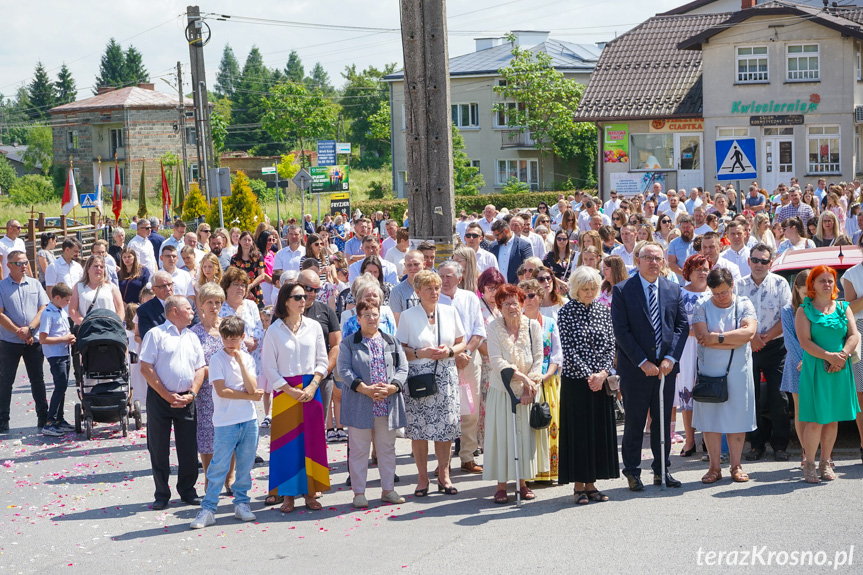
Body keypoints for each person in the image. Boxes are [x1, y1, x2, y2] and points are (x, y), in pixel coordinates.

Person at [612, 241, 688, 491]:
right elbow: (621, 332)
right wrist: (642, 362)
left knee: (663, 421)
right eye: (648, 258)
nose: (653, 262)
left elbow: (681, 326)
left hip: (665, 370)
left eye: (658, 258)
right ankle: (633, 472)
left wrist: (671, 358)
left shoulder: (672, 289)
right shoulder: (623, 290)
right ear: (637, 261)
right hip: (636, 369)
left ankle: (662, 470)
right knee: (634, 422)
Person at [261, 282, 330, 513]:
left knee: (311, 442)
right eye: (298, 296)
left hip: (312, 390)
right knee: (287, 446)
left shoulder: (314, 326)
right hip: (285, 392)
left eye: (306, 296)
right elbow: (269, 367)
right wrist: (289, 391)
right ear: (285, 301)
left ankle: (311, 493)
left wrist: (313, 386)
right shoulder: (274, 330)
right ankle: (288, 496)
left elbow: (323, 360)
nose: (304, 300)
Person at [190, 315, 263, 529]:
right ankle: (209, 508)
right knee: (219, 465)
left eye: (234, 339)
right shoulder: (216, 359)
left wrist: (240, 361)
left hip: (248, 419)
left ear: (242, 337)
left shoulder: (247, 358)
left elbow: (252, 386)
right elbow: (222, 391)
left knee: (245, 464)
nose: (230, 344)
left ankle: (241, 503)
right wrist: (250, 397)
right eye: (226, 339)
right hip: (225, 421)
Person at [396, 270, 465, 497]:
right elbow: (400, 349)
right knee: (419, 431)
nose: (435, 292)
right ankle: (422, 478)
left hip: (445, 376)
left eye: (437, 288)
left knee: (445, 429)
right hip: (419, 378)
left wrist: (450, 351)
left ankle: (444, 476)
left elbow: (461, 341)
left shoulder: (449, 311)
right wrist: (420, 352)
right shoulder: (408, 316)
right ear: (418, 291)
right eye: (429, 288)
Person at [555, 266, 619, 502]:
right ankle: (578, 486)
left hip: (601, 382)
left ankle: (592, 484)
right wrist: (588, 375)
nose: (590, 292)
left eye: (593, 288)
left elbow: (611, 344)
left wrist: (602, 374)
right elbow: (568, 349)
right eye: (585, 288)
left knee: (597, 434)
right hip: (576, 382)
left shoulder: (603, 311)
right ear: (575, 288)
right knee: (579, 434)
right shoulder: (567, 311)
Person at [337, 300, 409, 508]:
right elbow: (344, 370)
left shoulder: (391, 341)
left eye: (375, 314)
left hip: (387, 403)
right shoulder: (349, 343)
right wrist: (365, 389)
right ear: (358, 319)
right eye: (366, 314)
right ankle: (359, 493)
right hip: (361, 402)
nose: (371, 318)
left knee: (386, 448)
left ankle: (388, 490)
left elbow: (402, 368)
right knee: (359, 449)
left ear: (380, 317)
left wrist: (392, 387)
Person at [139, 295, 206, 509]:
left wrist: (193, 394)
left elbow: (200, 368)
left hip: (187, 397)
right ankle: (161, 493)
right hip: (160, 399)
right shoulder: (155, 334)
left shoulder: (192, 336)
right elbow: (146, 368)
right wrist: (166, 395)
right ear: (175, 311)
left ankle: (187, 490)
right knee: (158, 448)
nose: (193, 312)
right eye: (188, 308)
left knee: (188, 448)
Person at [796, 266, 861, 483]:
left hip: (839, 368)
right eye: (821, 280)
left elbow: (854, 335)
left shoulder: (843, 307)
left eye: (830, 280)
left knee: (832, 420)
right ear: (812, 285)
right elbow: (805, 342)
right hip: (816, 369)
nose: (827, 284)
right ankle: (809, 465)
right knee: (815, 420)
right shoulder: (803, 310)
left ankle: (826, 463)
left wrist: (841, 355)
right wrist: (828, 357)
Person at [692, 268, 757, 483]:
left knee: (737, 418)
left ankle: (736, 466)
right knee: (711, 421)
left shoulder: (744, 304)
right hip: (709, 371)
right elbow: (701, 336)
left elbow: (748, 333)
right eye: (716, 293)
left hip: (738, 370)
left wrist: (717, 339)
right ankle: (714, 467)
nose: (720, 297)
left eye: (724, 292)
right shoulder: (702, 306)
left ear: (732, 287)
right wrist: (732, 340)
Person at [483, 283, 542, 503]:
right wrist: (523, 378)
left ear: (522, 303)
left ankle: (523, 482)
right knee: (503, 436)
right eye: (505, 303)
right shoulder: (493, 327)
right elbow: (497, 361)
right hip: (503, 390)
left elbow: (538, 358)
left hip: (528, 391)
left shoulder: (533, 326)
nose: (512, 307)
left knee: (524, 436)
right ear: (499, 306)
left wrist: (530, 384)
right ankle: (500, 485)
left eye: (515, 302)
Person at [733, 244, 792, 462]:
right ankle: (756, 445)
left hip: (775, 348)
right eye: (755, 260)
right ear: (749, 261)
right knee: (750, 397)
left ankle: (779, 445)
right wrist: (752, 338)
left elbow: (786, 317)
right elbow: (734, 316)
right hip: (746, 347)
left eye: (764, 261)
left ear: (771, 263)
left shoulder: (780, 283)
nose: (759, 264)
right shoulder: (738, 286)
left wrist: (763, 338)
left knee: (779, 398)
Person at [439, 260, 486, 474]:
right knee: (445, 413)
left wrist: (465, 353)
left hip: (469, 360)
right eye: (442, 275)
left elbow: (478, 330)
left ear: (460, 277)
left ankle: (467, 457)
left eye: (449, 276)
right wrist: (452, 355)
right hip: (443, 362)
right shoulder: (431, 300)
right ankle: (443, 462)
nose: (445, 280)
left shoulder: (470, 298)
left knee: (470, 410)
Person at [190, 283, 237, 499]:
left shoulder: (228, 327)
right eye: (209, 302)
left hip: (229, 389)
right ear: (200, 304)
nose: (214, 306)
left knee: (231, 435)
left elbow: (239, 354)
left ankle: (230, 478)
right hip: (206, 394)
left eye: (218, 302)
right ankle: (210, 480)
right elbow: (193, 365)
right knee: (207, 437)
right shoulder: (194, 333)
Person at [0, 250, 48, 432]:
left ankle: (43, 417)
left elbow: (43, 308)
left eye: (25, 262)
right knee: (5, 381)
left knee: (37, 380)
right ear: (9, 265)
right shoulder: (2, 287)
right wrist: (18, 331)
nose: (24, 266)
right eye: (19, 263)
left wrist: (30, 330)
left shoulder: (35, 284)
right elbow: (0, 313)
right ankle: (2, 420)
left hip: (32, 341)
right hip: (9, 341)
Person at [520, 278, 563, 483]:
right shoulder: (515, 324)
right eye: (523, 296)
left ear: (539, 296)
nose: (527, 300)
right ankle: (528, 472)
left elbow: (556, 354)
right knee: (526, 427)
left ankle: (548, 471)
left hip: (547, 382)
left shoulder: (550, 323)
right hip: (522, 384)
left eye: (531, 295)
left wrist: (546, 375)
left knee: (549, 425)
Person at [297, 270, 343, 447]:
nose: (311, 294)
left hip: (322, 378)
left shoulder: (326, 311)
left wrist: (324, 371)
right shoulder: (283, 312)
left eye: (316, 290)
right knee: (295, 430)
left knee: (317, 428)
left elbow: (336, 345)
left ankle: (315, 469)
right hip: (294, 378)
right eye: (308, 288)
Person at [37, 283, 75, 437]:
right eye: (66, 300)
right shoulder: (47, 313)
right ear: (57, 297)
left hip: (64, 352)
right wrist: (64, 338)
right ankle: (50, 421)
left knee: (63, 385)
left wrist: (68, 339)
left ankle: (59, 419)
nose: (68, 303)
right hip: (55, 354)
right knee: (60, 385)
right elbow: (43, 339)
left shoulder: (61, 311)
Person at [477, 267, 504, 451]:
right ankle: (486, 448)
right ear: (483, 287)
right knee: (485, 408)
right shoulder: (478, 307)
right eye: (490, 287)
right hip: (486, 364)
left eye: (497, 287)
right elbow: (477, 339)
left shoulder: (502, 307)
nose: (494, 292)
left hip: (503, 364)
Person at [68, 255, 124, 324]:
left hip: (109, 329)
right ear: (88, 268)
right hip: (87, 329)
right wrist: (86, 323)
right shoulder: (78, 287)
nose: (99, 269)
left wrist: (115, 324)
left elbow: (120, 310)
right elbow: (72, 311)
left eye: (102, 267)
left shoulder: (111, 287)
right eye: (96, 266)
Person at [230, 231, 268, 309]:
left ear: (252, 242)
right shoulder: (234, 259)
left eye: (249, 240)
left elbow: (262, 275)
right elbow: (233, 276)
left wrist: (250, 286)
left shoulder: (258, 256)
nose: (247, 242)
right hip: (240, 291)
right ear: (239, 241)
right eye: (244, 239)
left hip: (255, 290)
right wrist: (245, 288)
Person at [488, 219, 533, 284]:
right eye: (495, 235)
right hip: (497, 288)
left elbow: (528, 268)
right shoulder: (493, 246)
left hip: (517, 288)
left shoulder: (524, 245)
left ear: (506, 231)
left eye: (497, 235)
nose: (496, 238)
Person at [136, 271, 174, 341]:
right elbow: (147, 337)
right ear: (153, 289)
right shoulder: (145, 310)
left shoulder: (186, 304)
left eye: (170, 284)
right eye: (163, 286)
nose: (168, 289)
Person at [388, 250, 423, 323]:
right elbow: (397, 322)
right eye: (409, 265)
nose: (413, 268)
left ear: (424, 264)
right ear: (405, 265)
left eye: (416, 264)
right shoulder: (397, 291)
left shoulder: (432, 288)